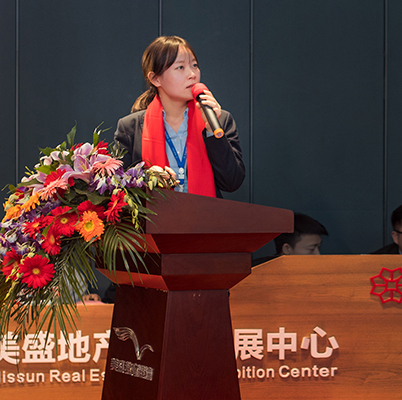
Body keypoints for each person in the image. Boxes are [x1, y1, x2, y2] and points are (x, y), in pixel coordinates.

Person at [114, 36, 245, 198]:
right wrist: (146, 177)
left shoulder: (220, 120)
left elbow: (232, 183)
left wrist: (212, 131)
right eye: (180, 67)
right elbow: (118, 186)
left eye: (194, 65)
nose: (192, 74)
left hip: (206, 213)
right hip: (155, 215)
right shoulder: (130, 127)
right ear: (155, 79)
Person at [252, 213, 329, 265]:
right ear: (287, 249)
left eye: (318, 247)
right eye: (311, 249)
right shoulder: (257, 274)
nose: (318, 254)